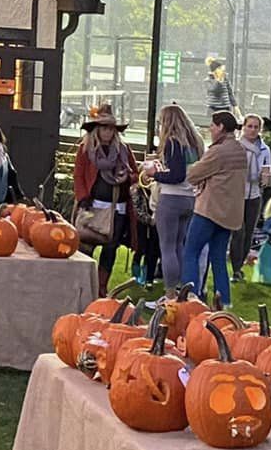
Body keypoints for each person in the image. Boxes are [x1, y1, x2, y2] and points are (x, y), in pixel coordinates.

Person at [182, 111, 248, 306]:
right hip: (229, 215)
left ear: (220, 127)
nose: (210, 129)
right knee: (218, 258)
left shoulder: (218, 151)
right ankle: (224, 302)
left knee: (191, 252)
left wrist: (194, 168)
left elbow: (193, 175)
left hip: (208, 211)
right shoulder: (240, 150)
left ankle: (190, 297)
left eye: (212, 125)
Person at [70, 104, 136, 294]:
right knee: (85, 246)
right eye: (104, 128)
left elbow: (135, 174)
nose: (107, 132)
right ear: (97, 129)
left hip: (117, 208)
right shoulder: (86, 150)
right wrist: (82, 197)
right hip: (93, 206)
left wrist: (127, 177)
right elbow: (78, 175)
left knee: (110, 248)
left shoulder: (123, 150)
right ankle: (82, 284)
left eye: (110, 128)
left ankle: (101, 287)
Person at [144, 104, 203, 287]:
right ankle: (181, 288)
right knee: (179, 246)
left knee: (167, 247)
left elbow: (176, 176)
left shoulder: (172, 142)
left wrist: (154, 173)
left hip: (172, 198)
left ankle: (170, 293)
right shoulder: (195, 143)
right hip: (189, 198)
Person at [232, 113, 271, 279]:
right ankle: (235, 267)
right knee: (238, 231)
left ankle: (239, 267)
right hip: (236, 194)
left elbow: (267, 171)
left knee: (249, 232)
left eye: (256, 127)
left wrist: (266, 178)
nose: (252, 130)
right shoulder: (236, 146)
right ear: (243, 127)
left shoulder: (264, 149)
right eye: (249, 126)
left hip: (255, 195)